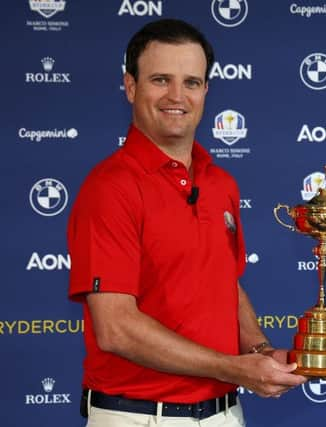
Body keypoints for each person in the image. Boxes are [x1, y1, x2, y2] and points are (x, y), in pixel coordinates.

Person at [67, 19, 306, 427]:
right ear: (130, 86)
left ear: (206, 90)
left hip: (224, 414)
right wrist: (232, 368)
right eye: (161, 79)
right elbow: (116, 328)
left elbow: (225, 283)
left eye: (191, 82)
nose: (177, 96)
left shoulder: (221, 183)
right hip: (140, 417)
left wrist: (260, 351)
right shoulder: (110, 187)